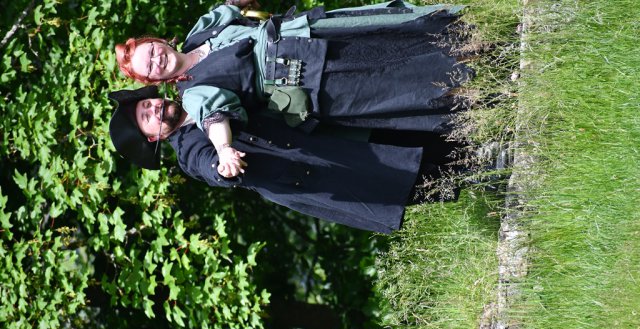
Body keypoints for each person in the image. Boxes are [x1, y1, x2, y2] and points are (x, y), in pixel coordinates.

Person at [108, 87, 461, 234]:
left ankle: (481, 144)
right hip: (313, 173)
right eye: (146, 117)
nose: (154, 109)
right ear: (152, 138)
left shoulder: (194, 90)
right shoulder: (187, 151)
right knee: (412, 178)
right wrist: (223, 163)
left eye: (147, 104)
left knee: (414, 139)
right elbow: (208, 166)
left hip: (320, 130)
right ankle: (482, 178)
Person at [114, 0, 472, 145]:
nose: (156, 59)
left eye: (152, 51)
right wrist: (223, 151)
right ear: (154, 81)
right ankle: (470, 82)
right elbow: (215, 120)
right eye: (150, 67)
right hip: (309, 82)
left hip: (309, 35)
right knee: (389, 83)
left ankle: (470, 33)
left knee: (387, 32)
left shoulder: (199, 31)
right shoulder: (193, 93)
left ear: (158, 41)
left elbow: (235, 4)